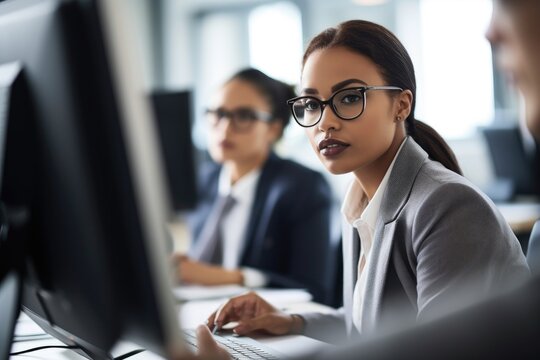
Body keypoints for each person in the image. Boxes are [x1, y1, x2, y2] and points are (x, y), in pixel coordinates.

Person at [187, 1, 540, 358]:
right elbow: (367, 327)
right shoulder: (361, 202)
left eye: (350, 97)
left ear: (401, 105)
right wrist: (291, 321)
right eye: (312, 104)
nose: (325, 121)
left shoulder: (446, 204)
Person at [173, 68, 341, 306]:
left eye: (243, 116)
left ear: (273, 128)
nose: (225, 127)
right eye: (218, 114)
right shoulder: (206, 179)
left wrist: (231, 278)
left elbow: (313, 287)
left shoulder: (302, 187)